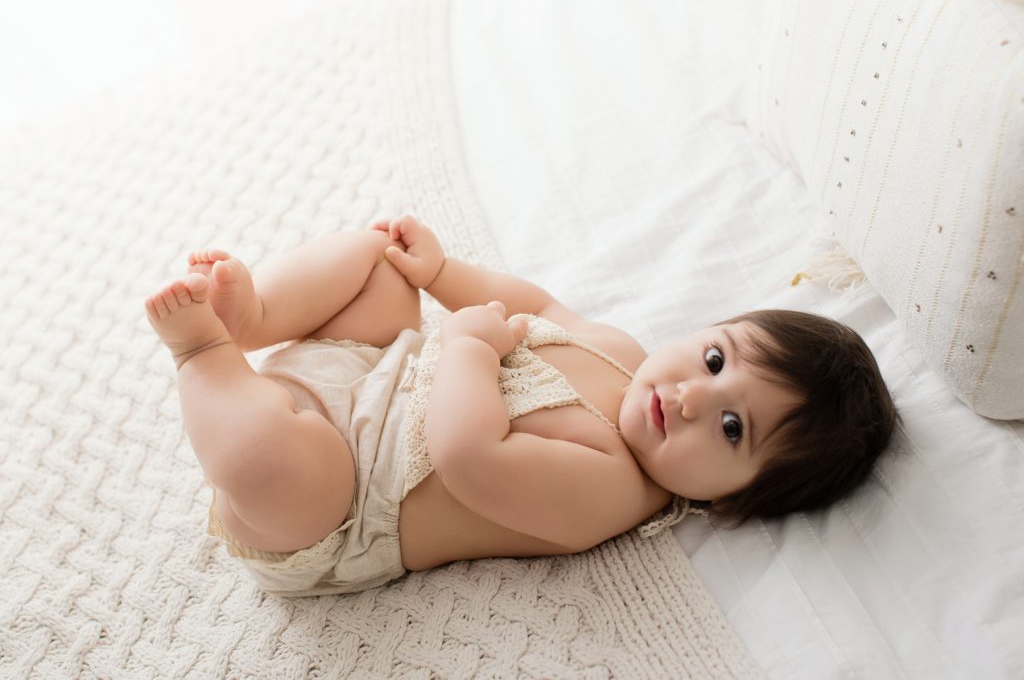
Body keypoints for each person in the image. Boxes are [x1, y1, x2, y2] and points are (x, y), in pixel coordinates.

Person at [144, 215, 897, 596]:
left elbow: (469, 457)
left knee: (277, 467)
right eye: (714, 359)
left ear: (734, 500)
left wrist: (469, 348)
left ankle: (203, 355)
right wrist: (441, 272)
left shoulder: (612, 488)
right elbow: (535, 304)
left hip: (341, 501)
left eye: (733, 427)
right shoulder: (622, 352)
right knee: (378, 262)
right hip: (371, 366)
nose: (692, 397)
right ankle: (258, 318)